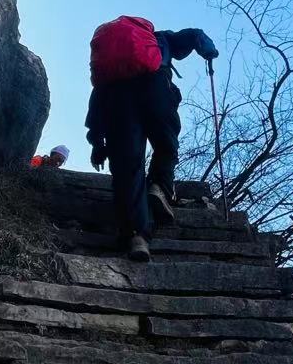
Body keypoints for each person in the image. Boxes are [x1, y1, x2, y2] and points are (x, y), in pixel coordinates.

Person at [85, 19, 218, 263]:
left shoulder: (113, 65)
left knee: (128, 167)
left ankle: (137, 236)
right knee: (166, 146)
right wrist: (207, 49)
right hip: (157, 89)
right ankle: (159, 187)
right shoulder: (160, 39)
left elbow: (98, 96)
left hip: (117, 99)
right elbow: (193, 33)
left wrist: (97, 142)